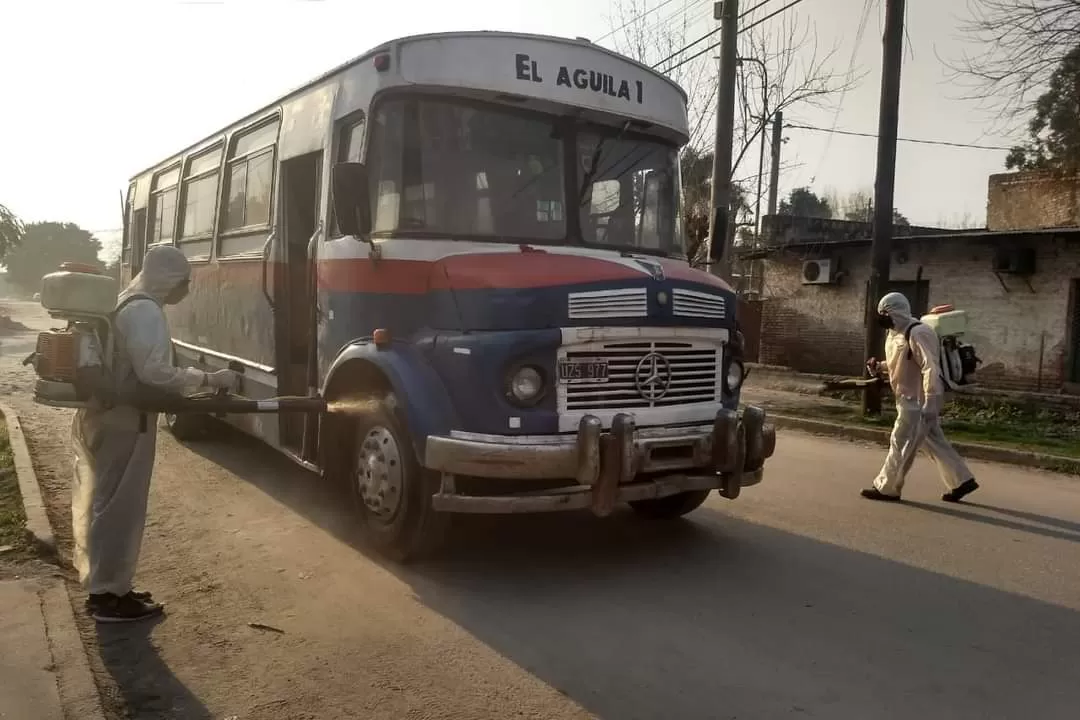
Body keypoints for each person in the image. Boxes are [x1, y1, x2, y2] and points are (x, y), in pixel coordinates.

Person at [72, 245, 238, 623]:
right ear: (168, 279)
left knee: (110, 502)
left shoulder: (128, 301)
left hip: (113, 417)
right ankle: (106, 598)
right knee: (119, 509)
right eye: (184, 282)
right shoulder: (145, 311)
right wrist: (206, 378)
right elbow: (154, 373)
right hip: (127, 420)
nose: (186, 290)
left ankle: (113, 587)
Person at [860, 291, 980, 504]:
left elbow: (930, 368)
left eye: (885, 313)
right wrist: (879, 367)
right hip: (907, 397)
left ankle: (887, 487)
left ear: (896, 311)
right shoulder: (895, 333)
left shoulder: (918, 332)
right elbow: (900, 362)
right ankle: (962, 481)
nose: (883, 318)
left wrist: (931, 401)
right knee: (932, 441)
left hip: (918, 401)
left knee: (900, 441)